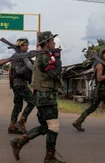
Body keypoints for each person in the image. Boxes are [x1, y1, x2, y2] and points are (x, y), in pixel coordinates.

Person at [10, 31, 66, 163]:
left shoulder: (43, 56)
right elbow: (54, 74)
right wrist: (58, 61)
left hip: (42, 97)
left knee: (45, 127)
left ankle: (19, 142)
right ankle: (49, 157)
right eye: (52, 40)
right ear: (46, 43)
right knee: (53, 126)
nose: (54, 42)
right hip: (46, 97)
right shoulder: (45, 57)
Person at [8, 37, 35, 134]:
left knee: (18, 105)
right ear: (21, 46)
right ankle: (21, 122)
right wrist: (28, 67)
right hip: (20, 83)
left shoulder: (20, 55)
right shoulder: (19, 56)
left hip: (16, 84)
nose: (27, 47)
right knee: (32, 102)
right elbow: (19, 70)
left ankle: (12, 125)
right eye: (26, 45)